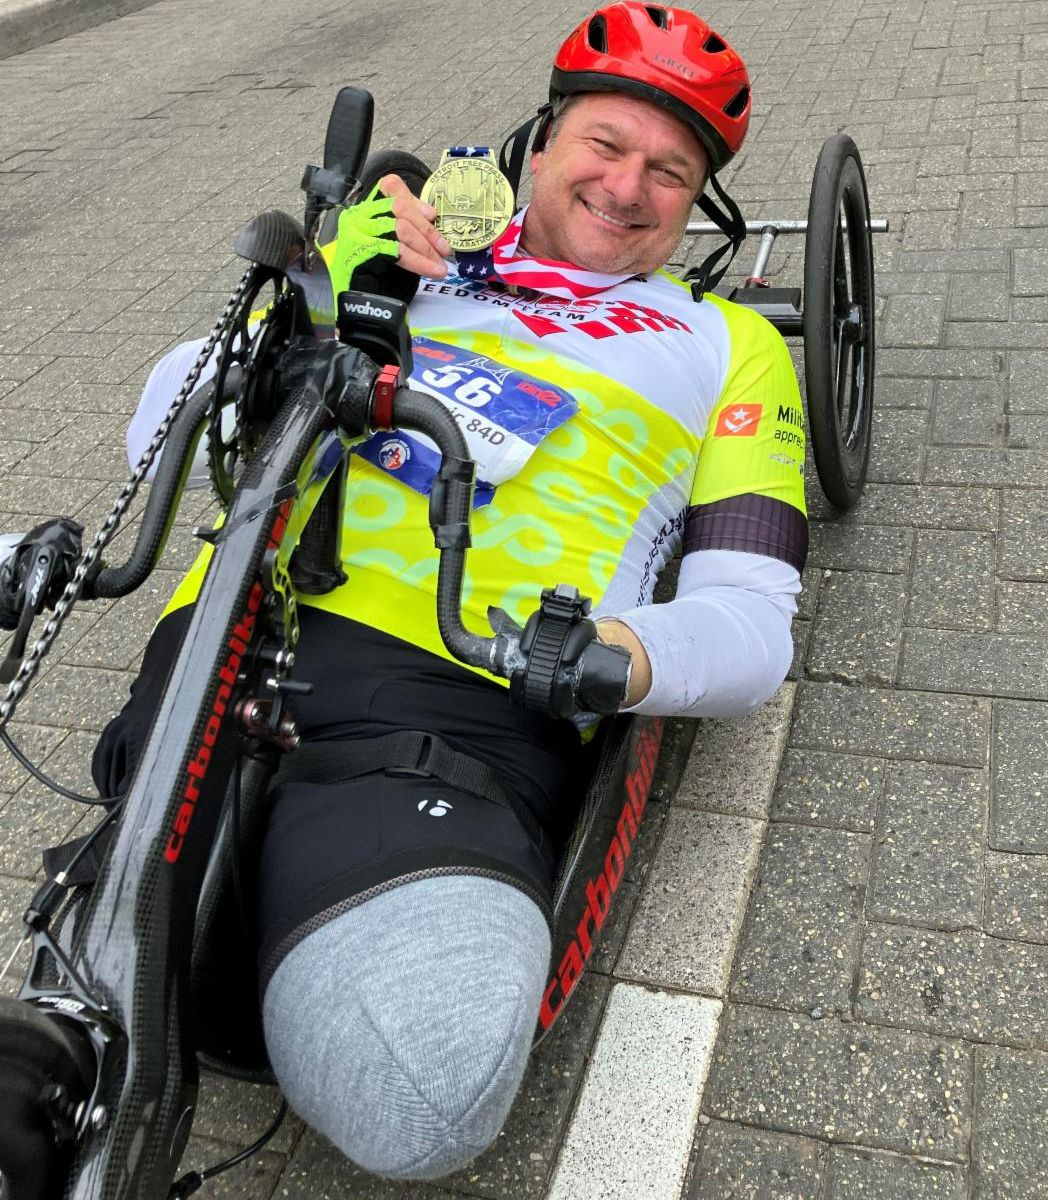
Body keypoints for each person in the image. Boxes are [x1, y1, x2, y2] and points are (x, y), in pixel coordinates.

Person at [75, 1, 808, 1181]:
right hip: (227, 651)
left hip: (464, 712)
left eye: (671, 172)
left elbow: (751, 614)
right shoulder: (405, 264)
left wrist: (616, 654)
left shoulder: (728, 344)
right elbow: (161, 433)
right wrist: (317, 298)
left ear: (697, 201)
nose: (628, 188)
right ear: (539, 138)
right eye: (604, 147)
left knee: (423, 1093)